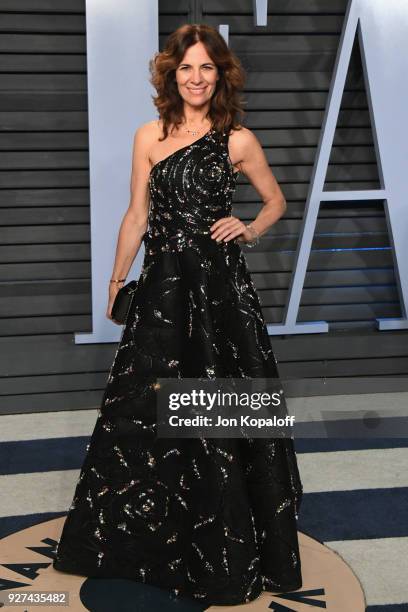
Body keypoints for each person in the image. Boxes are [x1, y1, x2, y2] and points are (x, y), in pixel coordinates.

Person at [52, 23, 303, 606]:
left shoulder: (238, 139)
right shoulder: (149, 135)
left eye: (206, 68)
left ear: (221, 76)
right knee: (145, 409)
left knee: (222, 411)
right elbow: (136, 216)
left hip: (219, 294)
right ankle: (147, 542)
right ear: (172, 75)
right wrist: (117, 281)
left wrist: (250, 228)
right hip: (164, 290)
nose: (195, 78)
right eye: (186, 68)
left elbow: (276, 201)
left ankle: (228, 547)